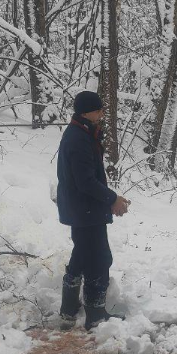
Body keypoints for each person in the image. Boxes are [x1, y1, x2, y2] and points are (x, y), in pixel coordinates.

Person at [55, 91, 130, 330]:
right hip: (85, 210)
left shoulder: (82, 133)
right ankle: (96, 316)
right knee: (99, 259)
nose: (103, 113)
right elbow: (85, 181)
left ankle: (68, 310)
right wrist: (112, 199)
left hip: (82, 209)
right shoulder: (78, 138)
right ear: (86, 112)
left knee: (81, 255)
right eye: (99, 110)